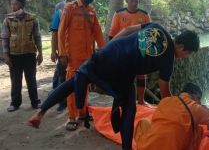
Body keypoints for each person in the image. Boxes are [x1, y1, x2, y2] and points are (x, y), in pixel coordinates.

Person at [28, 23, 200, 150]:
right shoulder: (168, 60)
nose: (185, 57)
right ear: (181, 47)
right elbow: (165, 92)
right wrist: (177, 109)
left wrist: (106, 48)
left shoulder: (157, 27)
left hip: (109, 52)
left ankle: (40, 112)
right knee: (129, 110)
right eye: (187, 54)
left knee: (73, 82)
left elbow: (127, 31)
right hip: (122, 72)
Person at [58, 0, 105, 131]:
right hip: (73, 56)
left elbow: (97, 32)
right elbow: (60, 31)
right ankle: (72, 117)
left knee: (84, 85)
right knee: (72, 87)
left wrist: (103, 51)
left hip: (87, 57)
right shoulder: (69, 8)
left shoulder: (91, 10)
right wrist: (62, 53)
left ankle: (83, 113)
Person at [135, 82, 209, 150]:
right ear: (196, 96)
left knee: (143, 122)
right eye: (199, 99)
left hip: (146, 147)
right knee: (198, 130)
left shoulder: (165, 101)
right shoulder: (197, 108)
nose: (200, 102)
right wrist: (205, 109)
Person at [1, 0, 43, 112]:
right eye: (12, 4)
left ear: (22, 5)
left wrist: (40, 53)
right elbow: (4, 38)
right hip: (14, 55)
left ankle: (35, 102)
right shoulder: (8, 19)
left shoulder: (32, 18)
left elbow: (37, 36)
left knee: (31, 79)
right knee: (15, 80)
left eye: (15, 4)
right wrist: (6, 55)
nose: (13, 6)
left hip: (29, 54)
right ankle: (15, 103)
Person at [109, 0, 151, 105]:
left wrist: (145, 52)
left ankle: (141, 100)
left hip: (140, 49)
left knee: (142, 74)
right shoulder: (118, 14)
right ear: (127, 0)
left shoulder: (145, 15)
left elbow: (149, 34)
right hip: (123, 50)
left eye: (136, 1)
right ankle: (122, 100)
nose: (134, 3)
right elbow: (112, 35)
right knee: (123, 76)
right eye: (132, 1)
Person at [50, 0, 80, 114]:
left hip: (78, 53)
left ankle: (79, 102)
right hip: (65, 53)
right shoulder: (60, 13)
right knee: (62, 77)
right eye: (73, 0)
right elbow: (55, 33)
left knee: (78, 77)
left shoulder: (84, 13)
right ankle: (62, 102)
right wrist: (54, 51)